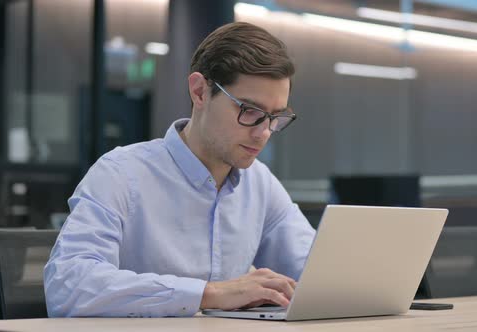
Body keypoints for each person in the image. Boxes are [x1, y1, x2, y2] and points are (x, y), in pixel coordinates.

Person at [44, 22, 316, 317]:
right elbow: (68, 284)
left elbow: (319, 272)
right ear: (200, 92)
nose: (263, 133)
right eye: (249, 111)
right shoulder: (120, 174)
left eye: (275, 117)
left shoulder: (259, 183)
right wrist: (209, 293)